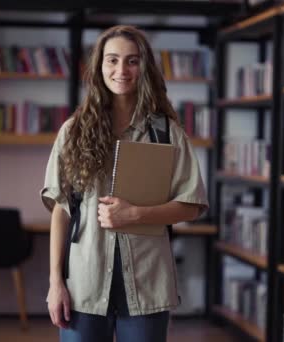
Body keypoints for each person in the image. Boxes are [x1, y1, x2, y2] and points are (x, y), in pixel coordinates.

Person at [40, 25, 208, 342]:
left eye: (132, 61)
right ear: (99, 66)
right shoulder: (73, 131)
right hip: (83, 285)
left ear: (144, 68)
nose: (121, 70)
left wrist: (134, 216)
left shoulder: (166, 132)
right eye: (112, 60)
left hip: (146, 285)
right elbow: (61, 211)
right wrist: (55, 283)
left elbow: (191, 204)